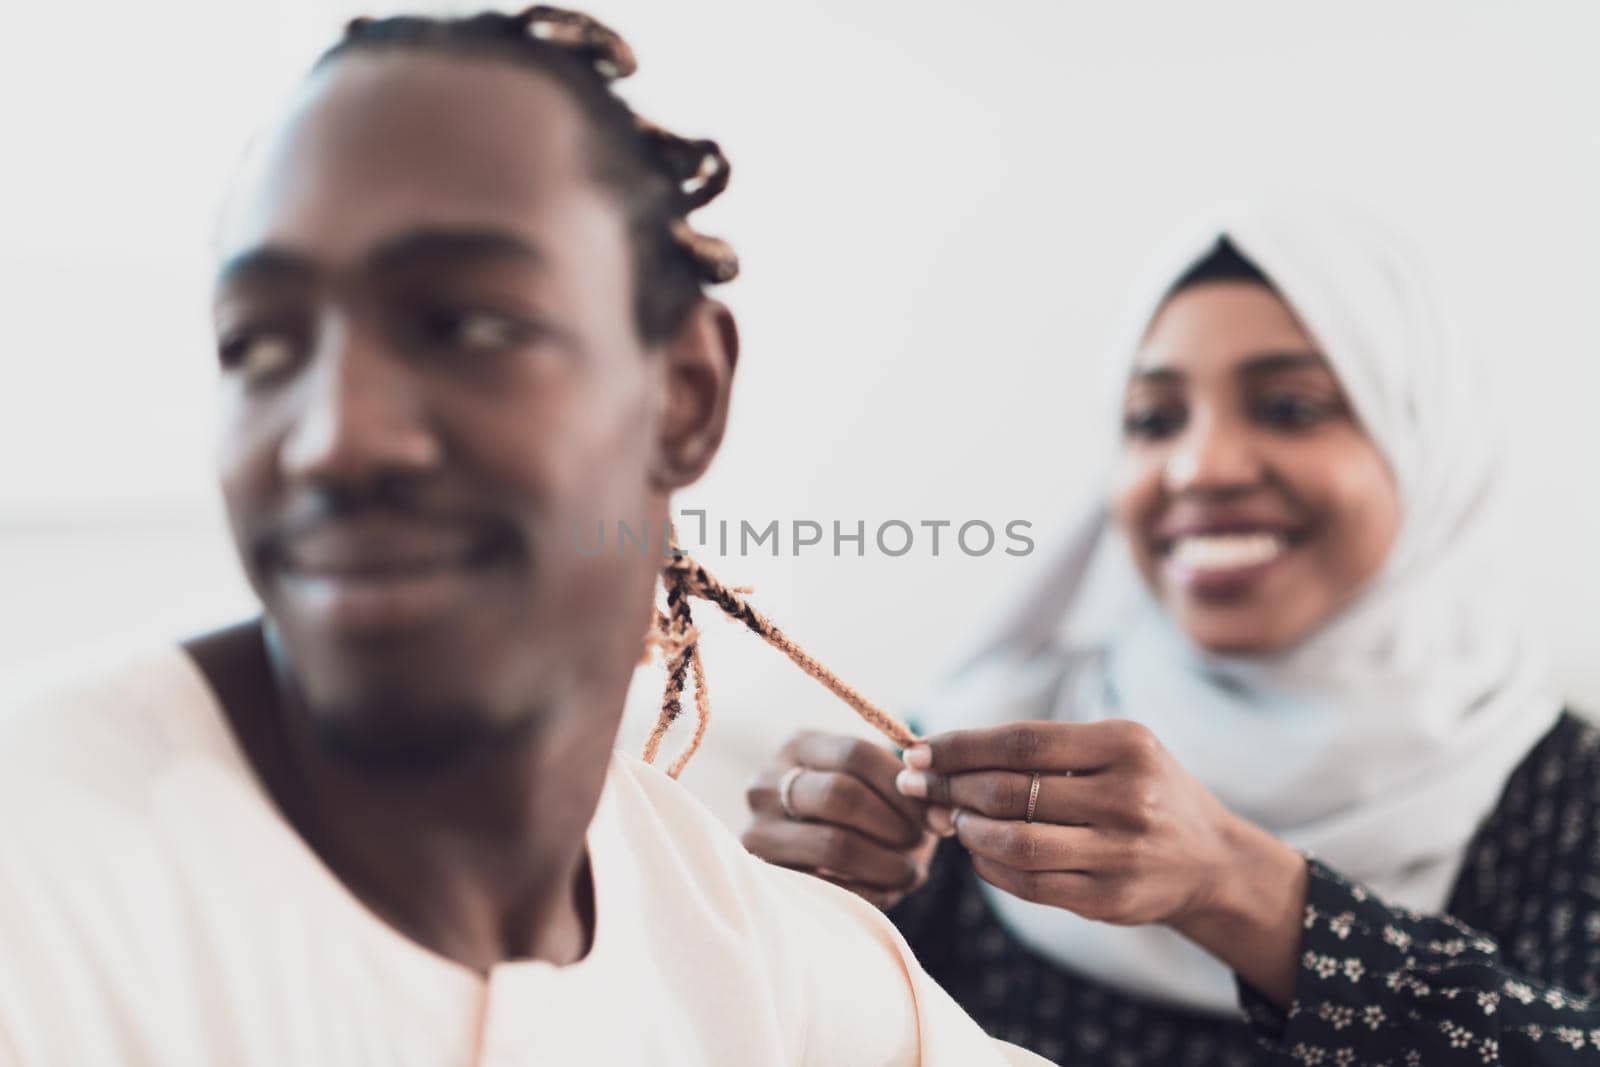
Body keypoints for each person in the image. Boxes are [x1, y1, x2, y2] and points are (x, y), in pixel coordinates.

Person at [0, 9, 1047, 1065]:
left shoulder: (762, 964)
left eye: (468, 325)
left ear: (684, 394)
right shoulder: (46, 895)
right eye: (258, 343)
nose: (333, 438)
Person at [745, 204, 1600, 1064]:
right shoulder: (987, 752)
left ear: (1428, 447)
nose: (1201, 466)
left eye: (1290, 407)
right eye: (1155, 420)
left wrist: (1239, 886)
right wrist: (794, 905)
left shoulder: (1565, 798)